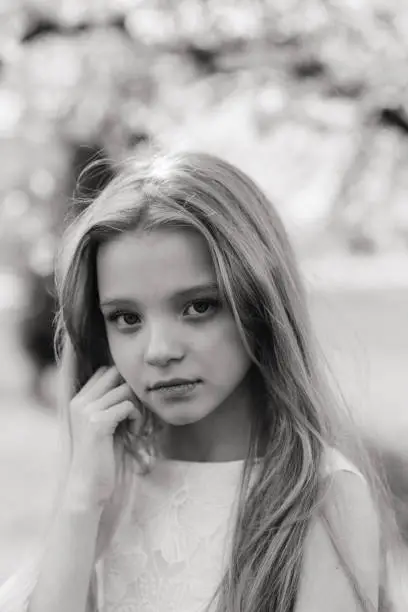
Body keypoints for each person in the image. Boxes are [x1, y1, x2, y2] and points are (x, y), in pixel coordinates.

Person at [0, 150, 405, 612]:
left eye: (198, 307)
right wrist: (80, 506)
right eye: (126, 318)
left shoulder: (319, 498)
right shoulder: (105, 484)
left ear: (260, 304)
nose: (159, 350)